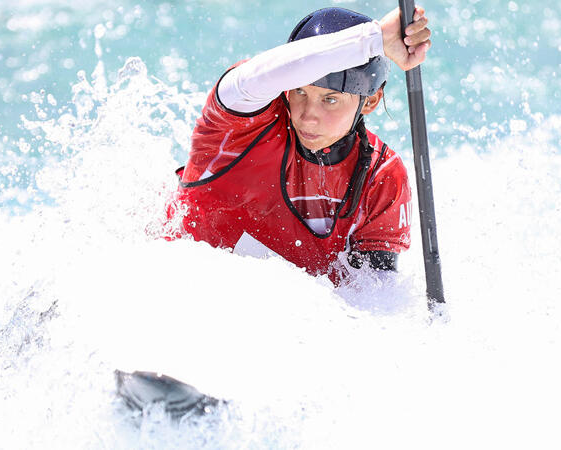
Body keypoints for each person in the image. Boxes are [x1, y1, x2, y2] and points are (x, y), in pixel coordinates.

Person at [168, 6, 432, 285]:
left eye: (330, 100)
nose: (307, 115)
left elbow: (375, 303)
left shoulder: (380, 177)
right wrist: (375, 38)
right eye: (299, 92)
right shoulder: (237, 125)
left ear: (370, 101)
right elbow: (259, 75)